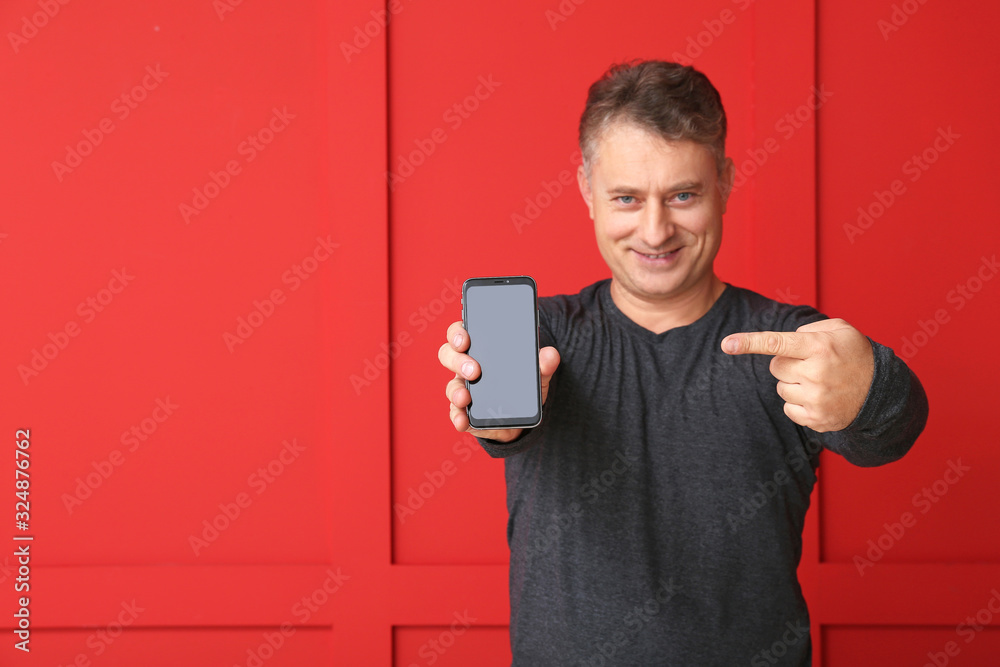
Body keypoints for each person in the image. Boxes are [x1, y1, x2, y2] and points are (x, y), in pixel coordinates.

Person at [437, 60, 928, 665]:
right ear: (587, 190)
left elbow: (891, 434)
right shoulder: (543, 334)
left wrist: (871, 391)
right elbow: (505, 429)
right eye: (626, 198)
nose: (655, 231)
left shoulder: (786, 343)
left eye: (683, 196)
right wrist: (496, 417)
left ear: (724, 182)